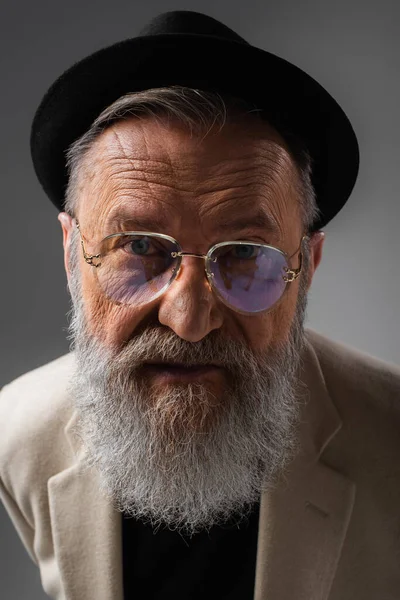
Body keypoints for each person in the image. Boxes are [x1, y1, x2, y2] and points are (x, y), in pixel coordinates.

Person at [1, 10, 399, 600]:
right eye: (138, 247)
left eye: (244, 253)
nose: (188, 319)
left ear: (306, 269)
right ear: (70, 252)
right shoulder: (17, 438)